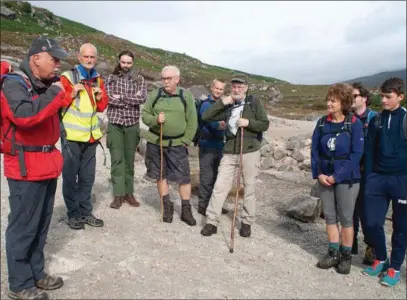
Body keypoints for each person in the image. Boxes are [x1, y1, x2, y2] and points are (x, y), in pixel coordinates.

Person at [1, 36, 69, 299]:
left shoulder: (41, 83)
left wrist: (57, 93)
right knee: (23, 226)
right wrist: (55, 93)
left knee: (40, 223)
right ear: (36, 58)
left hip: (45, 164)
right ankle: (19, 284)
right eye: (54, 59)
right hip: (25, 166)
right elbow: (24, 116)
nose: (57, 65)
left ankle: (36, 273)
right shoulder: (13, 84)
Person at [200, 74, 270, 238]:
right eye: (234, 87)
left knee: (249, 187)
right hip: (230, 150)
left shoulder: (253, 102)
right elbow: (206, 117)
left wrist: (249, 123)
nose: (236, 89)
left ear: (245, 88)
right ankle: (212, 221)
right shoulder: (228, 105)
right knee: (220, 185)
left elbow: (264, 124)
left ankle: (246, 222)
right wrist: (221, 102)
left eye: (240, 87)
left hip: (250, 150)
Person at [311, 83, 364, 275]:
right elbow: (314, 151)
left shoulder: (354, 123)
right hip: (324, 177)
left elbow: (356, 155)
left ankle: (346, 256)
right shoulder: (322, 123)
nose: (329, 103)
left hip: (347, 179)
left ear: (344, 102)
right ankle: (333, 252)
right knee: (330, 217)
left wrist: (336, 176)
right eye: (328, 100)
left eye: (333, 100)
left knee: (346, 219)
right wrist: (318, 174)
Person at [362, 77, 406, 287]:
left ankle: (394, 268)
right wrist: (370, 177)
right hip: (377, 179)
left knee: (401, 227)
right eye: (382, 96)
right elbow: (369, 151)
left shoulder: (406, 118)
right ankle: (381, 257)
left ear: (400, 96)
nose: (384, 100)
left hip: (401, 180)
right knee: (371, 222)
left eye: (388, 97)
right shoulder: (377, 120)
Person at [60, 43, 108, 230]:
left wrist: (100, 97)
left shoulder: (98, 80)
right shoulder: (67, 77)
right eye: (86, 57)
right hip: (71, 137)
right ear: (79, 58)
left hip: (90, 138)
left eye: (92, 57)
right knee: (71, 178)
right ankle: (73, 214)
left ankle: (85, 212)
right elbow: (56, 103)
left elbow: (102, 106)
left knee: (87, 178)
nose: (89, 60)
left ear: (96, 59)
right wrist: (71, 93)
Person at [141, 65, 198, 225]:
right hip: (156, 142)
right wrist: (155, 120)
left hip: (178, 144)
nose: (165, 82)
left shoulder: (185, 96)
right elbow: (145, 115)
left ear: (177, 80)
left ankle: (186, 209)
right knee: (160, 174)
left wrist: (186, 140)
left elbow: (192, 121)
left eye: (169, 79)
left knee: (184, 177)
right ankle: (166, 205)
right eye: (163, 78)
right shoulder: (155, 94)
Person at [105, 50, 147, 209]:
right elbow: (109, 99)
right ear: (118, 61)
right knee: (117, 159)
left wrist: (120, 98)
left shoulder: (139, 80)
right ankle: (118, 194)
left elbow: (142, 98)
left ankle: (129, 193)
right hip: (115, 124)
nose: (126, 66)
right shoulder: (110, 79)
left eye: (129, 63)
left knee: (130, 160)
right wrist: (130, 99)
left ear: (133, 63)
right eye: (123, 62)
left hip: (132, 124)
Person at [350, 81, 377, 264]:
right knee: (349, 209)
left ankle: (371, 247)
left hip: (369, 173)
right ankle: (350, 242)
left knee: (368, 211)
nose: (351, 99)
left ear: (364, 98)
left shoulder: (375, 119)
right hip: (350, 172)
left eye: (355, 96)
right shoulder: (347, 118)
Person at [196, 79, 229, 216]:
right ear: (212, 88)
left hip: (220, 146)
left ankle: (214, 205)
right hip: (207, 145)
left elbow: (225, 123)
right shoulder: (205, 105)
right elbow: (210, 122)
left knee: (217, 177)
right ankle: (203, 206)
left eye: (221, 89)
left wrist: (221, 124)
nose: (218, 91)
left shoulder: (224, 106)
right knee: (207, 177)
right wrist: (218, 124)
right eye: (217, 88)